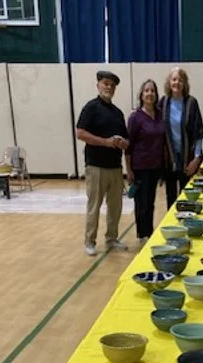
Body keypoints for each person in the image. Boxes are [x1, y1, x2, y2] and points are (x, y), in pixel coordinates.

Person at [76, 70, 129, 256]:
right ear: (98, 85)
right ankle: (90, 241)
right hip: (95, 166)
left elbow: (127, 140)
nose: (109, 87)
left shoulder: (118, 113)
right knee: (94, 206)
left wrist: (123, 143)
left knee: (115, 207)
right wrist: (105, 142)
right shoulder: (90, 108)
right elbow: (80, 133)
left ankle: (112, 238)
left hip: (115, 168)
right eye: (105, 83)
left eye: (112, 85)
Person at [126, 80, 166, 246]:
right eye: (146, 91)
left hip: (155, 167)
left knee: (150, 202)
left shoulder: (159, 114)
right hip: (139, 167)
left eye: (152, 91)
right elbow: (128, 145)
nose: (149, 93)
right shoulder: (135, 117)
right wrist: (129, 170)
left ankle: (149, 232)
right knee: (141, 203)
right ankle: (142, 235)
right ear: (141, 95)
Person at [160, 67, 203, 208]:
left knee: (188, 196)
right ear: (169, 82)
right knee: (171, 197)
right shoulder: (163, 102)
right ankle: (172, 227)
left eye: (180, 80)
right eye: (174, 79)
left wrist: (196, 159)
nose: (177, 83)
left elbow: (198, 133)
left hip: (189, 157)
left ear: (185, 83)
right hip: (170, 159)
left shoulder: (191, 103)